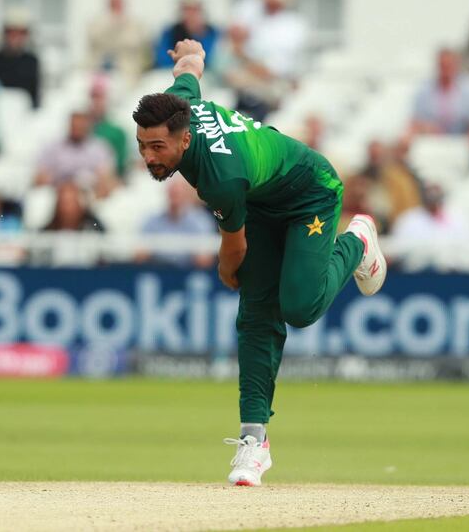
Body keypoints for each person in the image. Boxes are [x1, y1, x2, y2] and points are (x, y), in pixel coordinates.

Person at [132, 39, 386, 487]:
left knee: (299, 307)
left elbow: (233, 251)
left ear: (184, 138)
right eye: (143, 146)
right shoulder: (181, 107)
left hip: (310, 193)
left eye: (157, 147)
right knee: (255, 316)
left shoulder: (219, 178)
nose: (149, 157)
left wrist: (228, 271)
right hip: (263, 201)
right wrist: (190, 53)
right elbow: (189, 71)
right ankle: (254, 442)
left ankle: (358, 243)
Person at [136, 176, 216, 267]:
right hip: (158, 270)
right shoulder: (152, 220)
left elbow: (205, 259)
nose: (175, 198)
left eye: (178, 193)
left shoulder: (201, 221)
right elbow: (139, 255)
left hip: (188, 272)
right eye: (172, 193)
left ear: (186, 194)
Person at [34, 111, 117, 197]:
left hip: (89, 194)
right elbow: (40, 177)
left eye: (80, 126)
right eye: (74, 126)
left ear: (87, 126)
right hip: (59, 193)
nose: (77, 130)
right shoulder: (54, 147)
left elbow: (106, 178)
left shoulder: (99, 148)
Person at [412, 48, 469, 135]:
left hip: (463, 139)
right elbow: (415, 121)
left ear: (456, 66)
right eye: (443, 66)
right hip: (432, 139)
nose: (446, 70)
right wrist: (427, 127)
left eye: (449, 66)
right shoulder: (424, 91)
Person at [0, 10, 41, 108]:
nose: (15, 37)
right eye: (11, 32)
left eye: (20, 33)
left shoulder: (31, 61)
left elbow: (35, 95)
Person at [88, 0, 150, 83]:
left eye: (118, 3)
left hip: (126, 69)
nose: (116, 6)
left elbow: (134, 43)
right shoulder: (98, 23)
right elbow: (95, 40)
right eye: (113, 3)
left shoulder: (134, 24)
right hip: (99, 67)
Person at [154, 0, 219, 69]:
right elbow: (162, 59)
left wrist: (197, 34)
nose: (191, 14)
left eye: (194, 10)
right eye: (187, 10)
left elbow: (211, 59)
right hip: (171, 70)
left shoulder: (211, 32)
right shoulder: (171, 32)